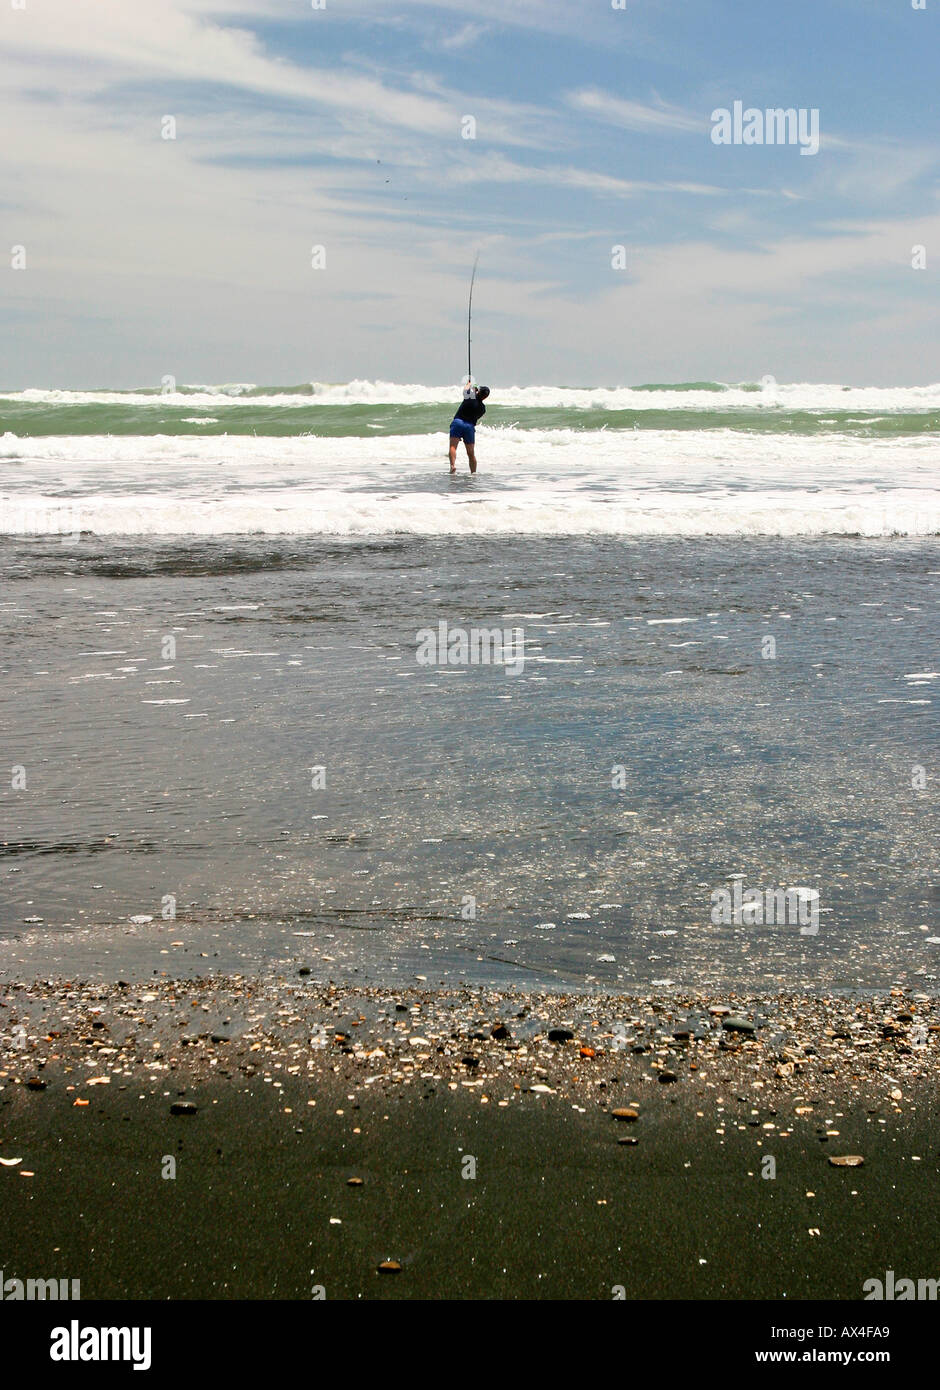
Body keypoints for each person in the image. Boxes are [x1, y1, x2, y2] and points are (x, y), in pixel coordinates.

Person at [449, 384, 489, 474]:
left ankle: (452, 466)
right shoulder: (483, 408)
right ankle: (473, 473)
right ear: (485, 397)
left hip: (458, 422)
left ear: (478, 392)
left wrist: (470, 385)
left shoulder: (470, 397)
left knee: (453, 447)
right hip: (469, 427)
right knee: (471, 453)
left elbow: (466, 389)